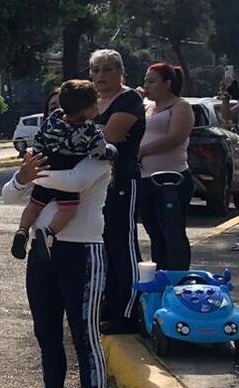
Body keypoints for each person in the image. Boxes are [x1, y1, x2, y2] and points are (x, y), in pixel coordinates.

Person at [3, 149, 110, 388]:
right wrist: (23, 176)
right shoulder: (43, 158)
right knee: (46, 334)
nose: (61, 125)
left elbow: (75, 181)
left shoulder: (97, 152)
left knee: (85, 339)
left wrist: (32, 174)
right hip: (42, 253)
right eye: (54, 118)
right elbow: (9, 196)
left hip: (82, 253)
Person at [11, 80, 117, 262]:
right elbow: (99, 152)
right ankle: (49, 231)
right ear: (87, 110)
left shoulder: (52, 119)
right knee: (68, 210)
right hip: (66, 171)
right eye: (96, 102)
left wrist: (37, 154)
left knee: (34, 205)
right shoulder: (91, 131)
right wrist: (111, 151)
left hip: (46, 166)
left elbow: (38, 138)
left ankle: (22, 230)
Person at [89, 49, 146, 333]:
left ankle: (128, 311)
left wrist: (93, 130)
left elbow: (110, 137)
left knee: (123, 244)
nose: (102, 75)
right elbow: (93, 133)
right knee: (104, 246)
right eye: (96, 70)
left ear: (120, 71)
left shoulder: (130, 99)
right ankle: (109, 306)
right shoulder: (94, 101)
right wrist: (98, 128)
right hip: (97, 184)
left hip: (122, 180)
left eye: (108, 69)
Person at [138, 62, 194, 271]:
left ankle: (178, 278)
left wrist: (143, 151)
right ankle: (161, 276)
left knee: (173, 232)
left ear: (167, 84)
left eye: (152, 81)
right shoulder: (147, 107)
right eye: (146, 81)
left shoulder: (180, 106)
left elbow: (176, 137)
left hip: (171, 180)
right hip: (146, 178)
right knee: (155, 232)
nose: (147, 85)